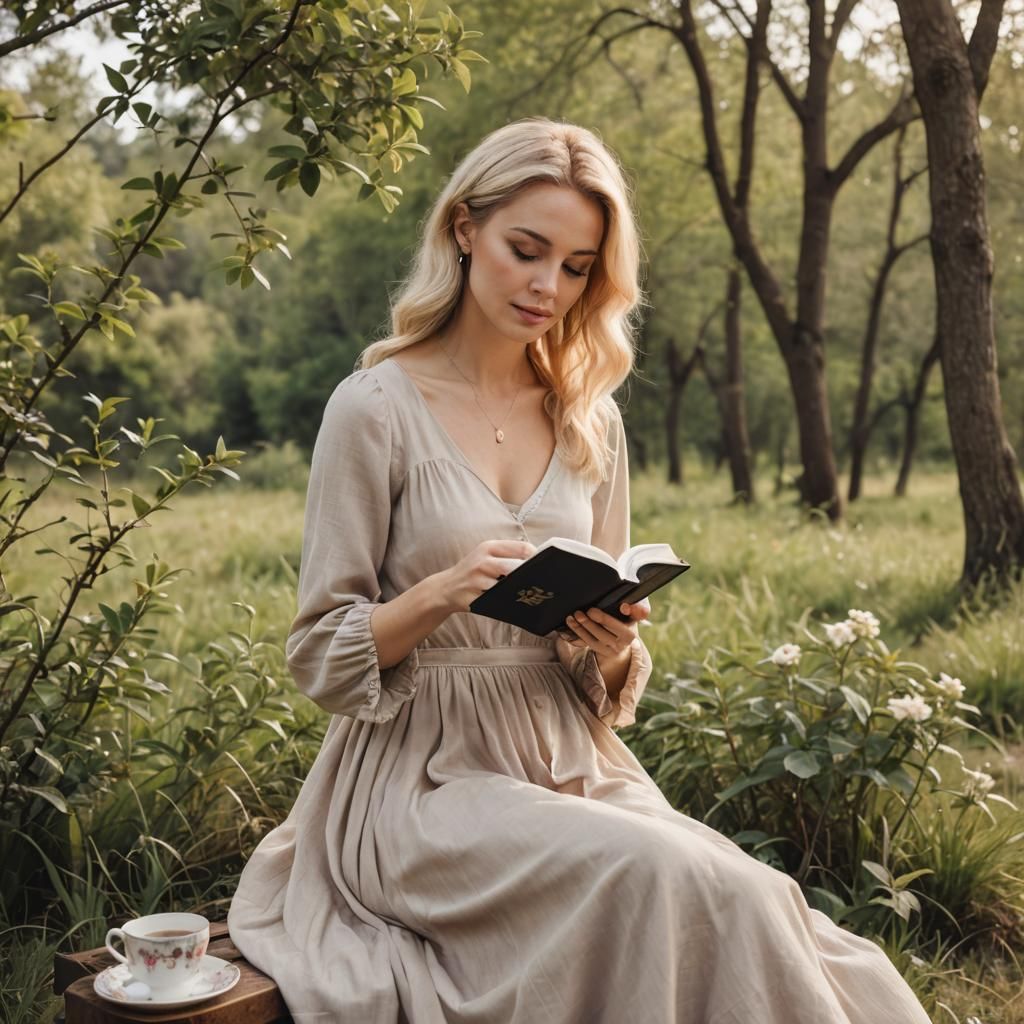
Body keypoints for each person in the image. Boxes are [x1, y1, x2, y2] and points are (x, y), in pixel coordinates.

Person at [227, 117, 932, 1024]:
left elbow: (602, 683)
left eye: (576, 267)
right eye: (528, 250)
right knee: (662, 875)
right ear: (463, 229)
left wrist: (603, 646)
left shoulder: (589, 421)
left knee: (756, 901)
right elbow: (320, 655)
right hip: (420, 784)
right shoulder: (373, 409)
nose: (547, 285)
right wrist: (443, 591)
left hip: (572, 762)